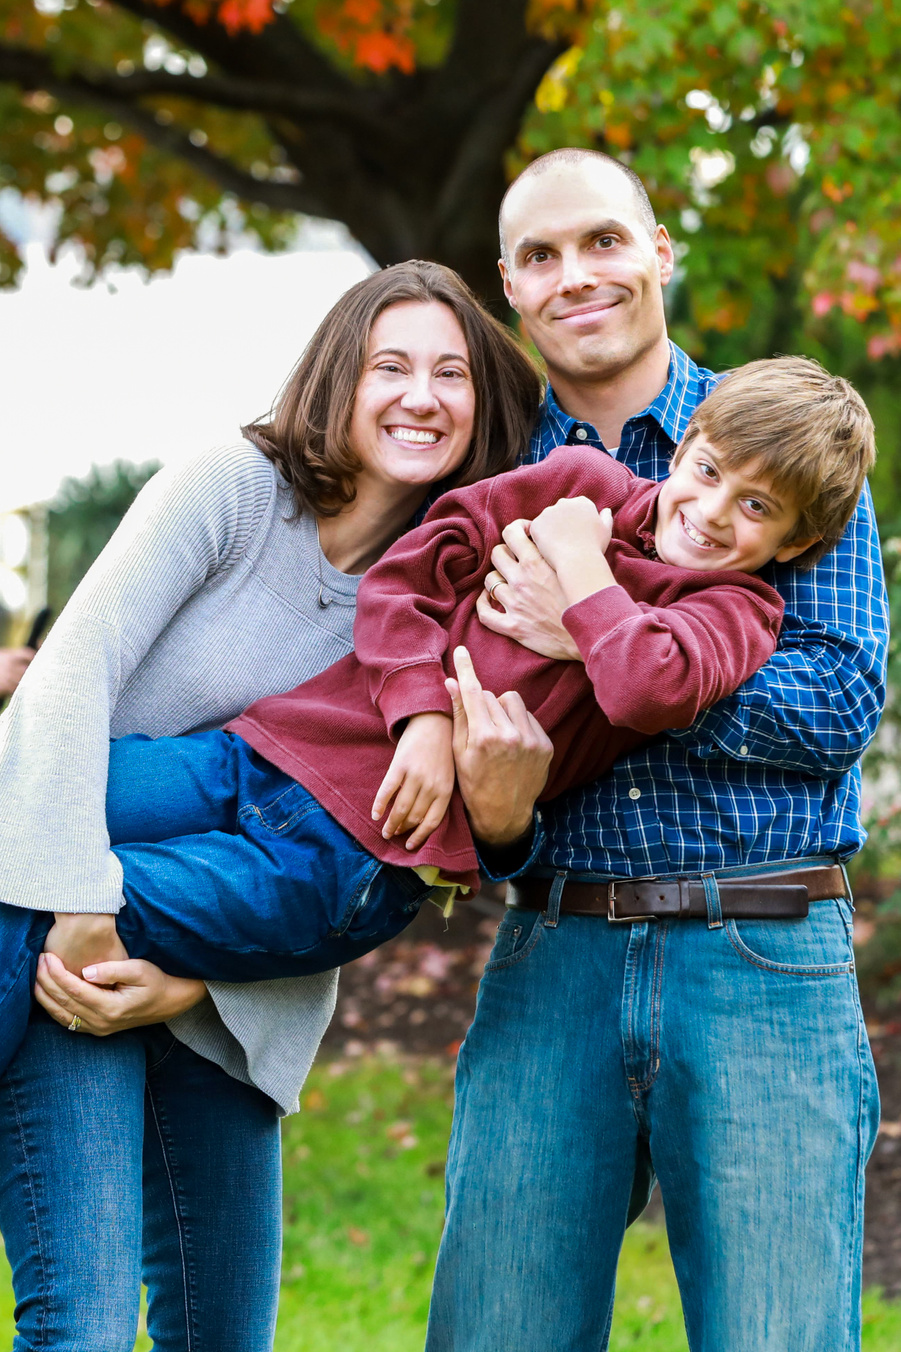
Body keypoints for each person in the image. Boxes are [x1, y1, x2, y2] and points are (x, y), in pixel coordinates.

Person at [0, 260, 545, 1351]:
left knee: (224, 1331)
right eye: (389, 364)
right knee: (89, 1321)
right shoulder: (235, 489)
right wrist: (77, 905)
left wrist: (189, 975)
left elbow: (382, 853)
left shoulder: (458, 584)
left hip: (236, 986)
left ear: (484, 403)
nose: (419, 395)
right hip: (77, 922)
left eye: (451, 372)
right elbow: (70, 674)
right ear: (338, 377)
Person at [5, 352, 869, 1038]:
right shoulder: (579, 480)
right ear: (684, 447)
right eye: (710, 469)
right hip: (265, 754)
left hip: (353, 860)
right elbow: (406, 575)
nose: (713, 511)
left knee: (49, 900)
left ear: (801, 540)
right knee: (26, 813)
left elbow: (648, 686)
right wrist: (421, 717)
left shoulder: (735, 611)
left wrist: (575, 566)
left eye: (756, 506)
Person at [425, 149, 889, 1352]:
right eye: (540, 256)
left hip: (761, 950)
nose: (576, 275)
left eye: (603, 241)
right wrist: (502, 808)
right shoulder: (493, 468)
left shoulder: (777, 439)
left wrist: (600, 637)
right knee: (497, 1330)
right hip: (552, 941)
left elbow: (834, 702)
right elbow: (443, 703)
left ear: (658, 251)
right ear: (510, 289)